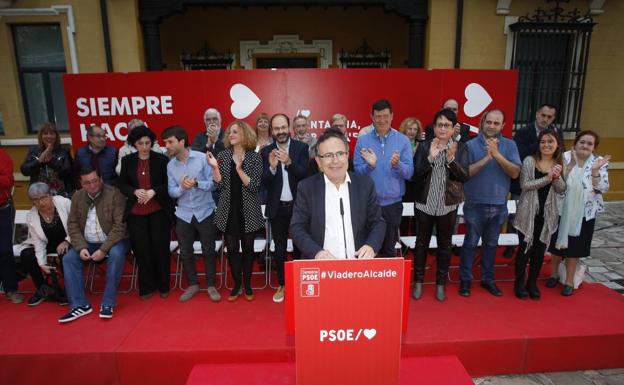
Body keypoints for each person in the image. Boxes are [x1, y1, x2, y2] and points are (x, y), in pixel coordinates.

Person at [291, 128, 386, 259]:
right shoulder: (306, 188)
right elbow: (297, 227)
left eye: (340, 153)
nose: (335, 160)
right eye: (328, 155)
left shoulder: (364, 184)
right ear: (318, 161)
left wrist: (371, 246)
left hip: (358, 267)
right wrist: (317, 252)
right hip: (321, 268)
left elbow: (378, 222)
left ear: (347, 155)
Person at [459, 109, 521, 297]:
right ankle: (466, 280)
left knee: (491, 245)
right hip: (474, 204)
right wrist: (487, 157)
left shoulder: (510, 145)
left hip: (499, 205)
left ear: (502, 125)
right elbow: (465, 174)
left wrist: (497, 154)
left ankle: (488, 279)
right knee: (470, 244)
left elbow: (515, 173)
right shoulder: (469, 145)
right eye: (489, 122)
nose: (492, 126)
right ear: (482, 122)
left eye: (496, 123)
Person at [411, 109, 470, 301]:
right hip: (424, 204)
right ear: (434, 127)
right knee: (421, 244)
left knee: (445, 246)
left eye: (447, 125)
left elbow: (464, 176)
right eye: (439, 125)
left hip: (447, 205)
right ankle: (418, 282)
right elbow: (416, 174)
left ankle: (440, 284)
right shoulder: (424, 146)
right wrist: (431, 158)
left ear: (453, 128)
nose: (443, 128)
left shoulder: (460, 148)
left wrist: (451, 160)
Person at [59, 167, 130, 323]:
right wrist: (81, 247)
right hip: (88, 243)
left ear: (101, 179)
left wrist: (104, 249)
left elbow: (120, 227)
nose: (92, 186)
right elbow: (73, 225)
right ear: (81, 184)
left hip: (114, 241)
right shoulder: (77, 197)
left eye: (94, 181)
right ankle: (79, 305)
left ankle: (108, 302)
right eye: (87, 183)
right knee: (69, 259)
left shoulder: (114, 194)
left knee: (117, 254)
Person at [206, 121, 264, 302]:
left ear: (245, 135)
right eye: (230, 132)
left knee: (248, 249)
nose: (230, 134)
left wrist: (239, 169)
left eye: (235, 132)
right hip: (227, 209)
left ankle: (247, 284)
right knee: (231, 249)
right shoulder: (222, 155)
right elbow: (219, 184)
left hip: (249, 210)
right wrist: (215, 167)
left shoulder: (255, 158)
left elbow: (253, 186)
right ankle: (237, 284)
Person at [547, 130, 610, 296]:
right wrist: (570, 167)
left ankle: (569, 280)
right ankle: (553, 274)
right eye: (582, 142)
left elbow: (602, 188)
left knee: (575, 247)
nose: (585, 145)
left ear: (594, 147)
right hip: (561, 209)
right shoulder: (564, 157)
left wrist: (596, 171)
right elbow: (557, 182)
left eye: (589, 143)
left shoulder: (599, 162)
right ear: (575, 143)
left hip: (584, 213)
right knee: (555, 245)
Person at [163, 125, 220, 302]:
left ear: (181, 141)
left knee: (208, 249)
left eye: (170, 142)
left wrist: (196, 184)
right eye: (165, 142)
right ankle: (193, 284)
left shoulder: (203, 158)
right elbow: (171, 192)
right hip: (183, 213)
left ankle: (211, 285)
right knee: (185, 251)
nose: (167, 146)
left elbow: (214, 184)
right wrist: (181, 188)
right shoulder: (170, 165)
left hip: (205, 210)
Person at [119, 126, 175, 299]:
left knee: (160, 248)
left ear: (152, 142)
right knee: (142, 250)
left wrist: (154, 191)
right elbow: (122, 185)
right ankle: (147, 287)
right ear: (134, 144)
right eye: (140, 143)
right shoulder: (127, 161)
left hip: (158, 210)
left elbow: (169, 184)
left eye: (147, 142)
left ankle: (164, 285)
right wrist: (134, 192)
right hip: (136, 213)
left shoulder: (162, 160)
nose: (144, 147)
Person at [354, 99, 413, 258]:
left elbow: (409, 173)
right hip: (368, 204)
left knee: (389, 249)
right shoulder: (363, 141)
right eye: (378, 116)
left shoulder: (403, 141)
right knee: (366, 249)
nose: (382, 120)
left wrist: (398, 165)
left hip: (392, 205)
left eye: (385, 116)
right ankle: (367, 283)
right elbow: (356, 174)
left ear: (392, 116)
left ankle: (389, 282)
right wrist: (369, 166)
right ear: (372, 117)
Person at [261, 113, 309, 302]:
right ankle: (282, 284)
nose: (280, 132)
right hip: (277, 208)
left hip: (298, 207)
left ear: (288, 127)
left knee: (300, 246)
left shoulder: (301, 148)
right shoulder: (265, 152)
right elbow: (263, 183)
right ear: (272, 131)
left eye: (283, 127)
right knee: (279, 248)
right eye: (276, 128)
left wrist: (289, 163)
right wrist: (272, 168)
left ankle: (298, 283)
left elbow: (305, 175)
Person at [513, 129, 566, 300]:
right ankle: (519, 283)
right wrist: (547, 178)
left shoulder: (559, 162)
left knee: (539, 250)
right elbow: (525, 185)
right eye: (543, 141)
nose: (546, 145)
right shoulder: (530, 161)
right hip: (527, 213)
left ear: (557, 144)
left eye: (550, 142)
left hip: (547, 213)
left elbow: (561, 189)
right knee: (524, 249)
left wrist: (556, 178)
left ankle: (532, 283)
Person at [15, 182, 71, 306]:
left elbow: (77, 224)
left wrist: (67, 241)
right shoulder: (32, 215)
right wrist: (42, 263)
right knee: (27, 254)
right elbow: (38, 242)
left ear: (50, 195)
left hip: (68, 240)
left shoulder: (64, 203)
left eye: (43, 198)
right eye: (36, 200)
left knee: (65, 253)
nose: (41, 203)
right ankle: (43, 288)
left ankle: (69, 289)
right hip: (48, 242)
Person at [20, 122, 74, 197]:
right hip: (39, 194)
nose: (49, 136)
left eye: (52, 133)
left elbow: (68, 171)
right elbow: (25, 171)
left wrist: (51, 161)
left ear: (56, 136)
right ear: (41, 136)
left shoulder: (64, 151)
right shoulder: (33, 150)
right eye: (45, 133)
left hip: (61, 194)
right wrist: (39, 161)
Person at [0, 145, 22, 304]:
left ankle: (11, 289)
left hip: (2, 209)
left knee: (5, 250)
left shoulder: (3, 156)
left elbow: (7, 181)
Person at [399, 117, 424, 236]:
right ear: (405, 129)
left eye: (415, 129)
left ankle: (415, 241)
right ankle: (403, 242)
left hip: (417, 185)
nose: (412, 131)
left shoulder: (422, 145)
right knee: (403, 216)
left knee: (417, 216)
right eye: (410, 128)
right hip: (403, 184)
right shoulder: (399, 144)